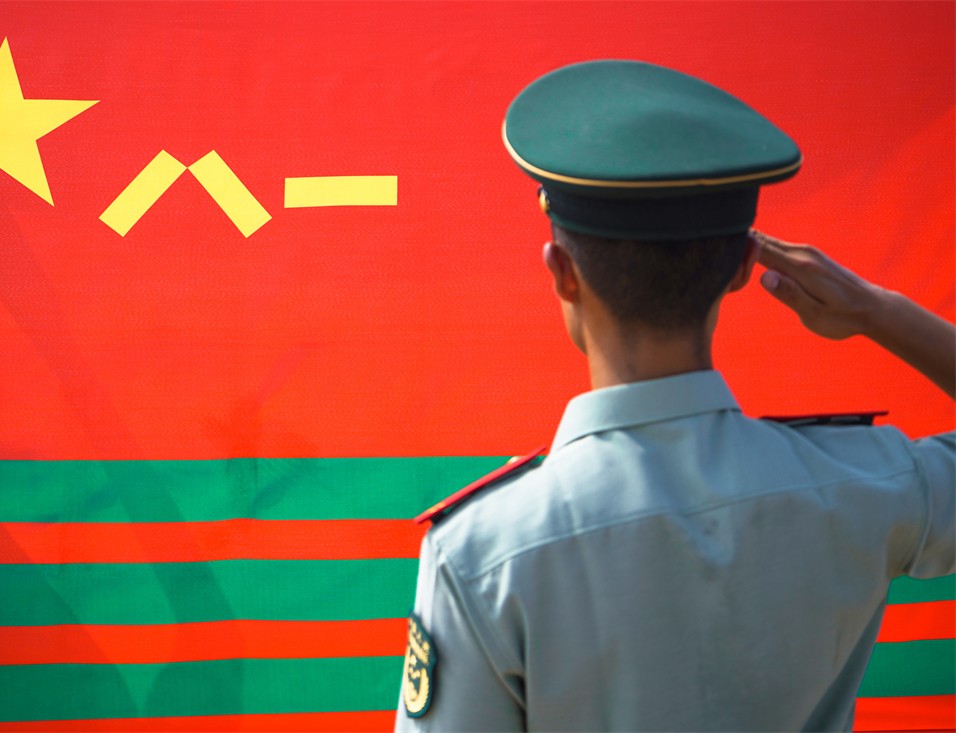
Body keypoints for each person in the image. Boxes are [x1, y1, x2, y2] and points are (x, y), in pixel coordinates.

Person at [394, 60, 954, 732]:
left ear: (563, 273)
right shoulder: (866, 482)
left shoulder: (483, 553)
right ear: (744, 268)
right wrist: (878, 312)